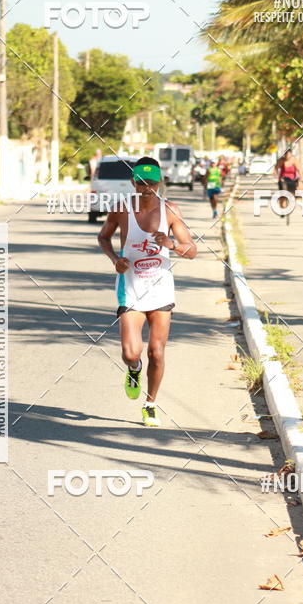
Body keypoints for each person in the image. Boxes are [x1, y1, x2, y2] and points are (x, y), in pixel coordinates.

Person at [98, 156, 197, 427]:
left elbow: (192, 250)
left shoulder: (171, 211)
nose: (146, 189)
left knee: (156, 352)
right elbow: (103, 236)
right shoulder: (121, 209)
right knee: (131, 353)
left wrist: (172, 244)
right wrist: (114, 259)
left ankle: (150, 404)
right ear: (133, 182)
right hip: (130, 289)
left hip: (161, 290)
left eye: (151, 183)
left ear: (159, 182)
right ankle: (134, 370)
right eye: (141, 183)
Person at [275, 148, 301, 214]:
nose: (287, 156)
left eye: (288, 154)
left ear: (291, 154)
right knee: (283, 194)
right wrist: (276, 175)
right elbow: (276, 169)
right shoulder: (281, 161)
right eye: (286, 154)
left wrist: (301, 179)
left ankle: (291, 205)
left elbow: (299, 170)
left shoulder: (294, 160)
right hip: (283, 179)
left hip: (292, 179)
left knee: (294, 193)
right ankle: (282, 208)